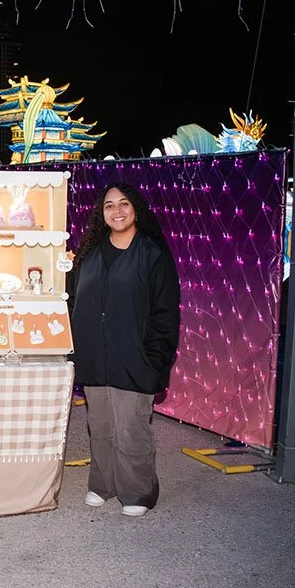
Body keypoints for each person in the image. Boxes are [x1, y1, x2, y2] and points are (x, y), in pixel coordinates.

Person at [68, 182, 180, 517]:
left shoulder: (153, 255)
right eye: (109, 206)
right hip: (95, 358)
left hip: (135, 358)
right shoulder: (89, 254)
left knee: (131, 429)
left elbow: (165, 313)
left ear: (136, 210)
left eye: (124, 204)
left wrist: (155, 360)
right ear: (101, 214)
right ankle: (103, 484)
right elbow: (72, 301)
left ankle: (138, 491)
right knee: (100, 426)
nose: (117, 211)